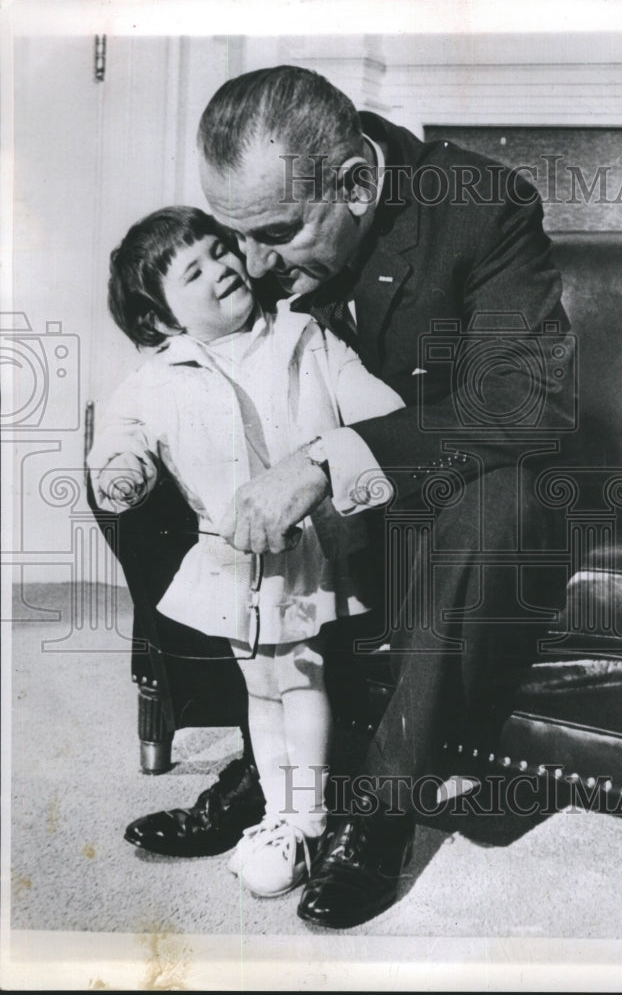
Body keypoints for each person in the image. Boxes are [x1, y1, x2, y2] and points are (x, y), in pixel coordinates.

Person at [128, 65, 574, 928]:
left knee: (508, 497)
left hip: (451, 492)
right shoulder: (268, 229)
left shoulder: (481, 204)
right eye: (232, 236)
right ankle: (271, 765)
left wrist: (331, 459)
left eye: (276, 234)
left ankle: (378, 810)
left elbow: (528, 402)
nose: (248, 263)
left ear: (359, 185)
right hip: (321, 516)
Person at [88, 205, 404, 897]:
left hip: (307, 546)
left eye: (217, 249)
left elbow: (380, 414)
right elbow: (122, 439)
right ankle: (280, 814)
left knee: (301, 674)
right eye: (192, 272)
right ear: (163, 321)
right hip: (231, 557)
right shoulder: (154, 379)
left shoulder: (305, 337)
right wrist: (119, 472)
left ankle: (310, 819)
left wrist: (381, 429)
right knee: (259, 687)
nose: (221, 268)